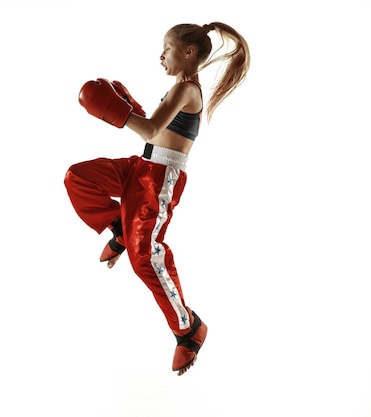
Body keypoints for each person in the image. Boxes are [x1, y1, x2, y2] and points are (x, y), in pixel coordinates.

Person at [64, 22, 250, 376]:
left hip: (159, 179)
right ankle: (118, 226)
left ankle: (189, 328)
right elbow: (155, 130)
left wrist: (116, 112)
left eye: (167, 49)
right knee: (78, 176)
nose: (161, 56)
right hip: (142, 166)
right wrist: (128, 105)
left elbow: (149, 130)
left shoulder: (187, 90)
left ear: (188, 53)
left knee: (145, 258)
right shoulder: (178, 89)